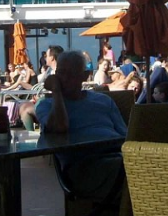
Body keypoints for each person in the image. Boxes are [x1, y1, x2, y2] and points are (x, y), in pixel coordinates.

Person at [36, 50, 126, 200]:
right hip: (83, 167)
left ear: (84, 76)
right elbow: (60, 126)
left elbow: (125, 135)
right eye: (60, 73)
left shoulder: (104, 100)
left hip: (117, 157)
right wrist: (56, 91)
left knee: (153, 163)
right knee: (136, 170)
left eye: (71, 73)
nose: (64, 78)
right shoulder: (46, 106)